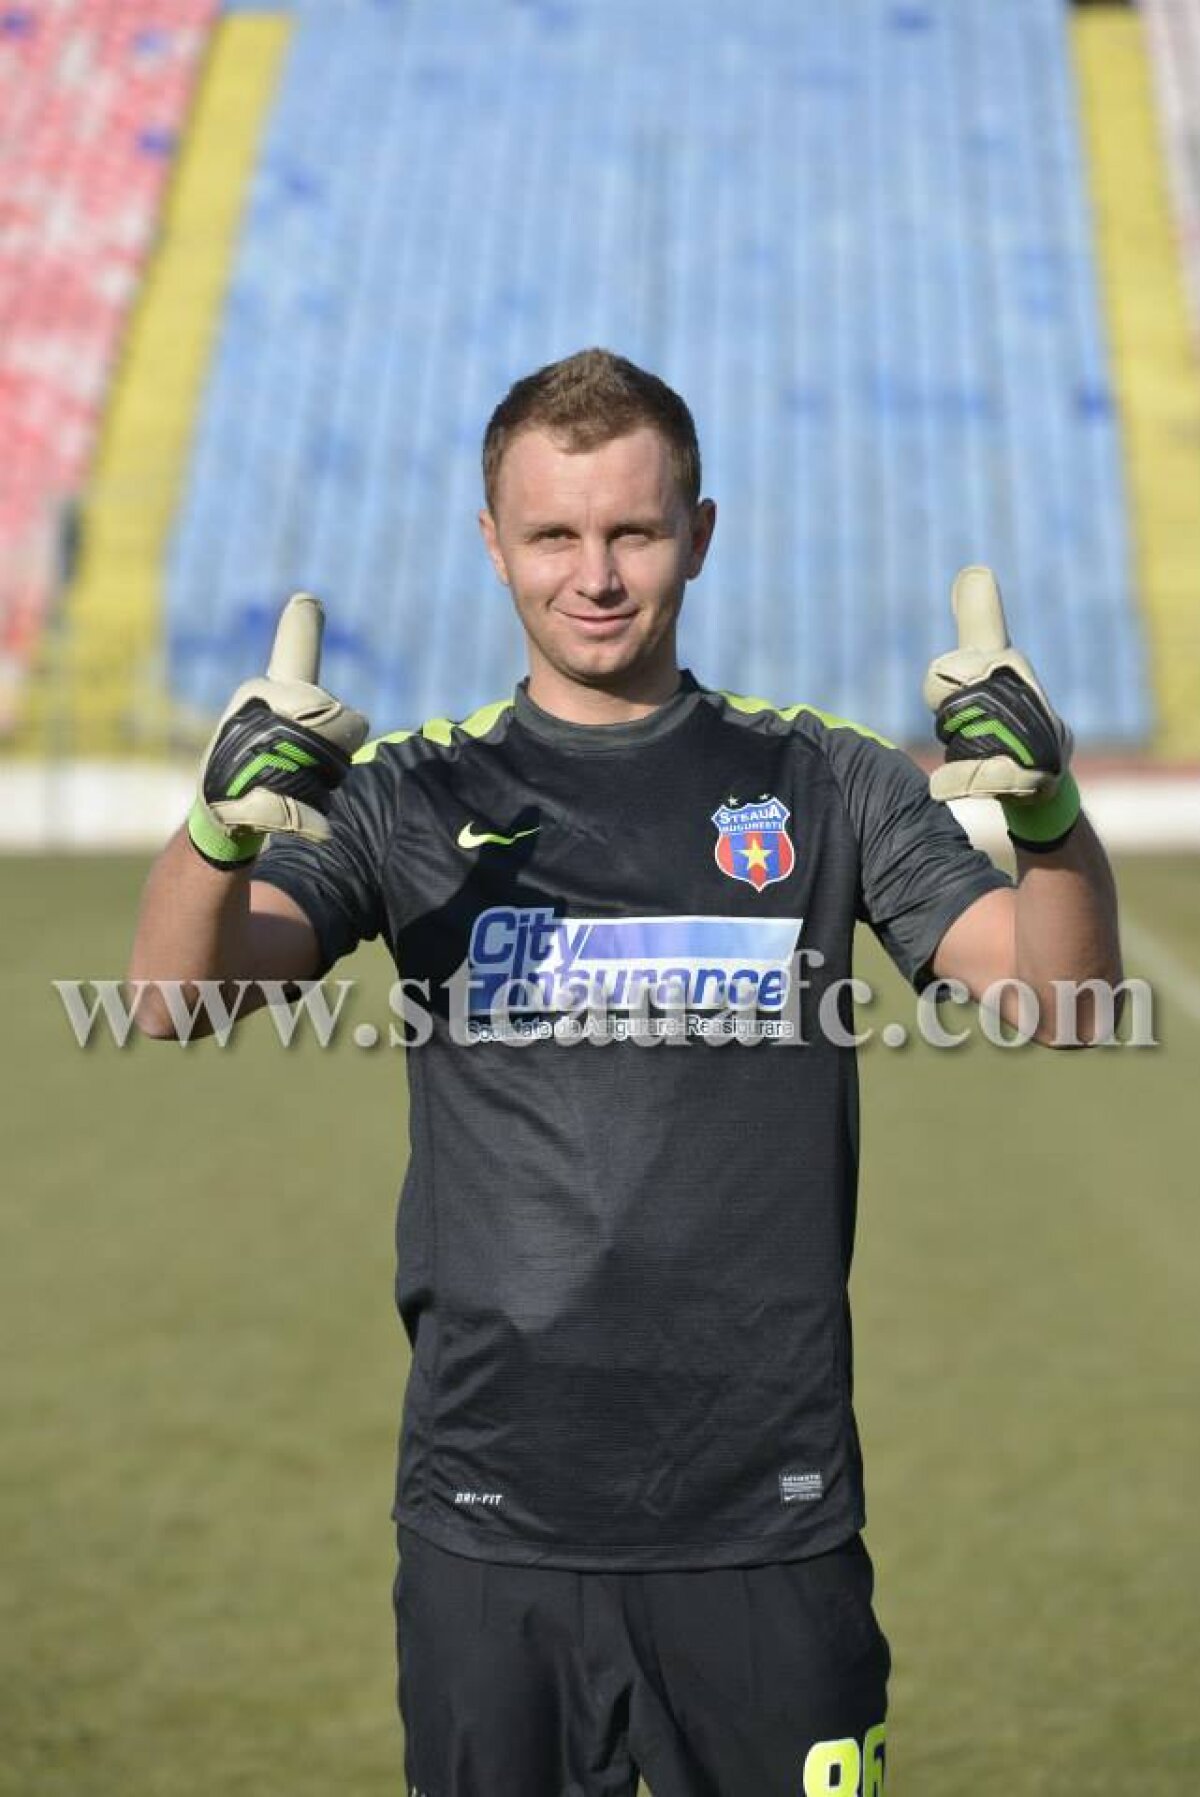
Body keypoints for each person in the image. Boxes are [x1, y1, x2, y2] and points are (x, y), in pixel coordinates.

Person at [129, 348, 1122, 1796]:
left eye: (633, 532)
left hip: (765, 1518)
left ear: (698, 534)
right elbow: (167, 1000)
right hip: (491, 1516)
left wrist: (1046, 816)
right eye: (553, 534)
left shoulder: (824, 783)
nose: (594, 574)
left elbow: (1070, 1004)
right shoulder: (413, 791)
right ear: (493, 543)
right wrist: (218, 829)